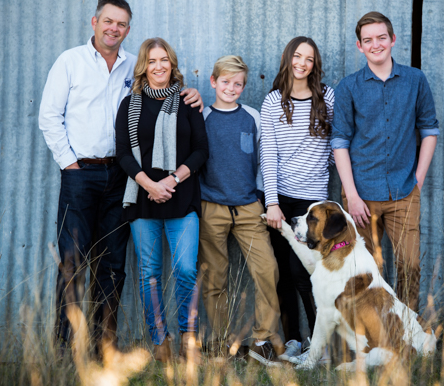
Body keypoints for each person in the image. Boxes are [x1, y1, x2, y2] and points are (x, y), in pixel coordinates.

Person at [38, 0, 202, 353]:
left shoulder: (135, 66)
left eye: (122, 24)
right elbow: (49, 116)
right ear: (94, 22)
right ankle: (64, 348)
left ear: (128, 30)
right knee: (73, 260)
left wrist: (191, 92)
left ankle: (103, 347)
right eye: (108, 21)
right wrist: (70, 164)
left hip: (122, 179)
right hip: (81, 174)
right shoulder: (71, 61)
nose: (114, 29)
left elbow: (164, 96)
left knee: (113, 263)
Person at [331, 11, 439, 311]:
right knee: (365, 273)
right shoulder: (348, 87)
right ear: (359, 46)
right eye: (368, 40)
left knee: (410, 266)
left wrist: (418, 179)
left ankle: (409, 336)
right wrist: (351, 195)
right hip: (360, 195)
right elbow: (339, 141)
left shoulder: (415, 80)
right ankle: (372, 340)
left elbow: (429, 130)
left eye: (381, 38)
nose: (375, 44)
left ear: (392, 40)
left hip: (404, 192)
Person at [115, 37, 208, 363]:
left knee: (185, 269)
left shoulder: (188, 101)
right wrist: (149, 185)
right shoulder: (129, 104)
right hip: (142, 200)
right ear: (144, 65)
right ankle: (160, 342)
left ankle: (188, 339)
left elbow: (201, 150)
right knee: (149, 274)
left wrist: (171, 179)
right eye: (152, 61)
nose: (159, 66)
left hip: (182, 197)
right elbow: (124, 155)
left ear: (172, 63)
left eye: (164, 60)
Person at [197, 55, 284, 366]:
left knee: (267, 270)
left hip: (249, 208)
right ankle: (221, 344)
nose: (231, 88)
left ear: (244, 87)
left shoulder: (252, 116)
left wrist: (261, 197)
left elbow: (264, 160)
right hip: (212, 208)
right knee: (215, 278)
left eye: (238, 84)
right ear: (213, 82)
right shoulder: (202, 116)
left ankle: (263, 341)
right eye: (225, 82)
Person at [260, 36, 335, 363]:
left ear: (314, 64)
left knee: (304, 273)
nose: (302, 63)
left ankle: (318, 345)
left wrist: (322, 167)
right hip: (282, 201)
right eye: (298, 56)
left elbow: (337, 143)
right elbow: (269, 154)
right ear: (288, 58)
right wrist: (272, 202)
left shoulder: (327, 97)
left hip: (313, 204)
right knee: (283, 272)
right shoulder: (273, 101)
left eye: (309, 58)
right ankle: (293, 340)